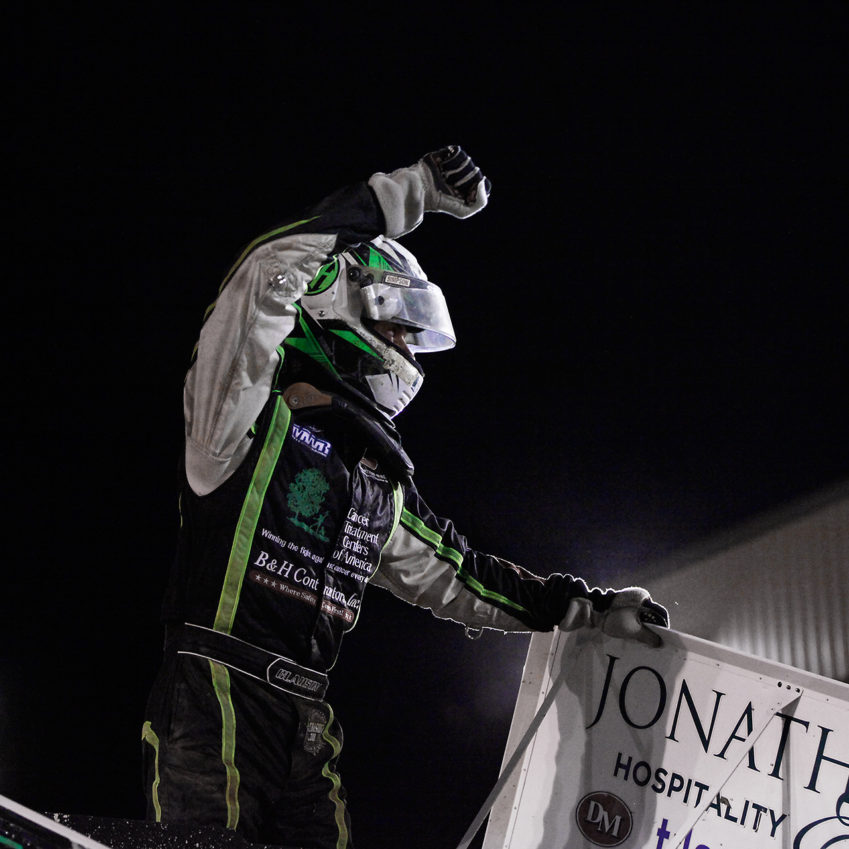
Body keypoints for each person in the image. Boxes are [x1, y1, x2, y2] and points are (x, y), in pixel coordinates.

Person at [141, 146, 669, 849]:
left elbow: (461, 576)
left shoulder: (376, 482)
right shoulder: (238, 418)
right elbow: (260, 280)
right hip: (214, 696)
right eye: (398, 327)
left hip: (307, 716)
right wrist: (407, 192)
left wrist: (594, 609)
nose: (409, 353)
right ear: (339, 307)